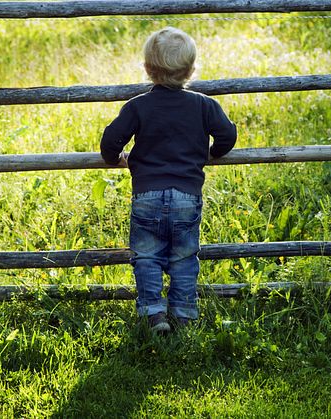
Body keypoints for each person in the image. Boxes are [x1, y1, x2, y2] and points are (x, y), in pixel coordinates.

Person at [100, 27, 237, 333]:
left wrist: (116, 159)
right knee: (184, 257)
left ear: (148, 69)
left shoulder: (138, 106)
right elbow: (228, 135)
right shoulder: (204, 105)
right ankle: (184, 314)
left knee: (147, 256)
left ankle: (153, 314)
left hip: (147, 195)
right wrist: (212, 153)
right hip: (187, 196)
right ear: (191, 70)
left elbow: (110, 141)